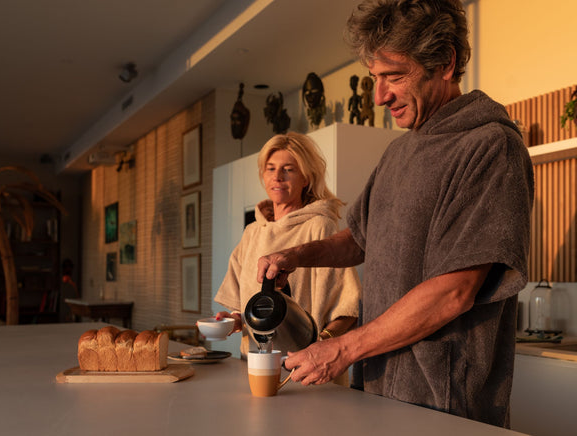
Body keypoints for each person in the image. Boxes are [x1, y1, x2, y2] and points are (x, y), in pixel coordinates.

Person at [256, 0, 534, 428]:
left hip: (444, 399)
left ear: (445, 63)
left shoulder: (490, 146)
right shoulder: (399, 150)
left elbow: (455, 290)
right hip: (379, 382)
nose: (380, 96)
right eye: (374, 79)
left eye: (394, 76)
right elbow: (359, 239)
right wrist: (295, 255)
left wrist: (343, 348)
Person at [214, 131, 361, 359]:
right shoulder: (252, 232)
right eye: (271, 168)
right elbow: (242, 308)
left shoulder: (320, 228)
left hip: (307, 370)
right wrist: (233, 320)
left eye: (288, 169)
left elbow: (349, 309)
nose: (277, 177)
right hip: (255, 367)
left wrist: (323, 342)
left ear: (306, 178)